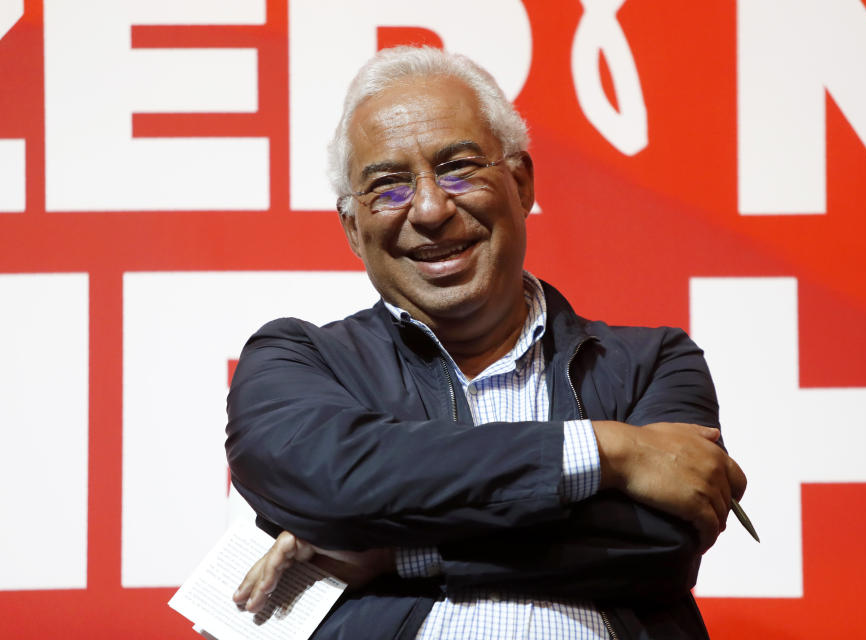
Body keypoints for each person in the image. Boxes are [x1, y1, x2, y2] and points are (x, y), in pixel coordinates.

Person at [225, 46, 746, 640]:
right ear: (352, 228)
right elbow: (334, 482)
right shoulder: (298, 361)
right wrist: (609, 453)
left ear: (521, 183)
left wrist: (399, 554)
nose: (428, 208)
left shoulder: (651, 363)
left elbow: (663, 544)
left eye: (458, 168)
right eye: (389, 185)